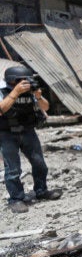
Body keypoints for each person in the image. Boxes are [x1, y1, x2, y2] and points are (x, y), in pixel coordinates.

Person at [0, 66, 62, 213]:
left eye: (27, 79)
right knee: (13, 169)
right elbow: (1, 109)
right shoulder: (3, 91)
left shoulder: (30, 92)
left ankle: (41, 191)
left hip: (28, 131)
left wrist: (38, 96)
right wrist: (15, 93)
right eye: (20, 80)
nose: (25, 83)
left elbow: (45, 107)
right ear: (12, 80)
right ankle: (16, 199)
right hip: (7, 134)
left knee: (39, 163)